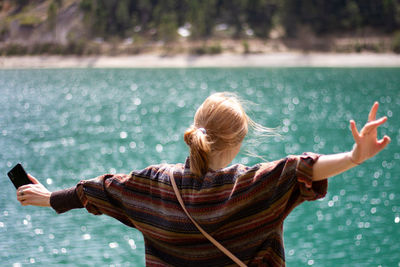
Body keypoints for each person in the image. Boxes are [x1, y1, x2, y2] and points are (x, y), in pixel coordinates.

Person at [16, 92, 390, 266]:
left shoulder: (154, 184)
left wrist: (48, 197)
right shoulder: (251, 187)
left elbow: (96, 189)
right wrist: (355, 156)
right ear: (240, 142)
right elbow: (301, 168)